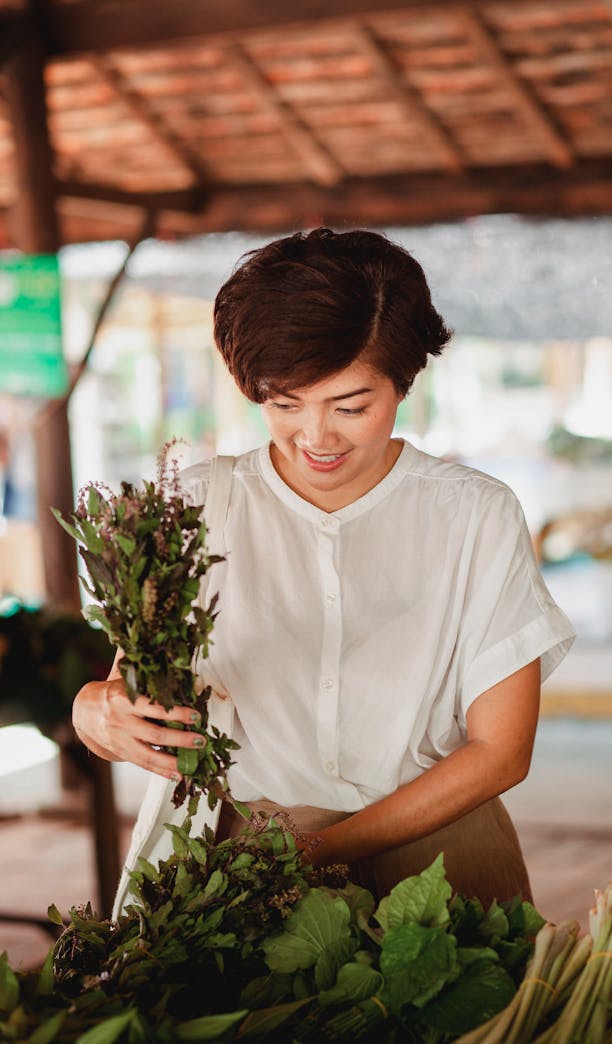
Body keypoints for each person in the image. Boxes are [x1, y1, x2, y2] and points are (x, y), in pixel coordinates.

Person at [72, 228, 575, 917]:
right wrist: (95, 710)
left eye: (350, 406)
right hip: (243, 856)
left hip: (442, 856)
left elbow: (501, 750)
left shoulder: (474, 514)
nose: (317, 436)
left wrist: (320, 849)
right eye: (284, 403)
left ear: (404, 379)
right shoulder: (193, 504)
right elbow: (131, 682)